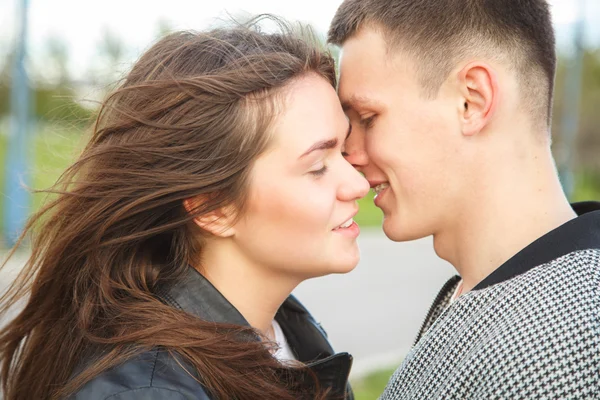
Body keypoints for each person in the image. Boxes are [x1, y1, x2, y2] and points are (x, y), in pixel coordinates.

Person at [0, 17, 368, 400]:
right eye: (317, 167)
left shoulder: (285, 333)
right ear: (212, 208)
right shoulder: (148, 391)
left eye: (343, 151)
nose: (358, 184)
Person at [328, 0, 600, 398]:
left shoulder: (552, 346)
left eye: (367, 118)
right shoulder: (502, 295)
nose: (348, 152)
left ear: (471, 100)